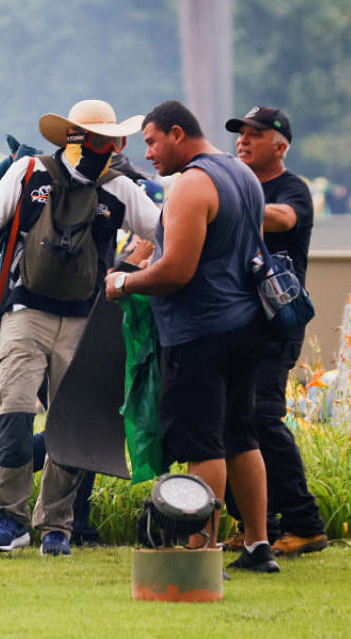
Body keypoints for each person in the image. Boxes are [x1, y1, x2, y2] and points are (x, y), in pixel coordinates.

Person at [0, 99, 159, 556]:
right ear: (73, 137)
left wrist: (130, 270)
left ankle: (57, 524)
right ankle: (8, 520)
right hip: (24, 314)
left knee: (73, 423)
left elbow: (165, 228)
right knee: (13, 414)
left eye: (109, 140)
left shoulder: (121, 188)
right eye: (98, 138)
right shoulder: (29, 171)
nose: (104, 146)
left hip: (85, 320)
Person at [105, 99, 280, 573]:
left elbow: (177, 272)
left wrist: (124, 281)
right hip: (245, 325)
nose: (149, 155)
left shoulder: (191, 186)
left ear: (177, 133)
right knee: (241, 437)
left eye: (152, 142)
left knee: (204, 446)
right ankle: (258, 545)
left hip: (201, 331)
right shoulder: (242, 175)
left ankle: (201, 550)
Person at [224, 106, 328, 557]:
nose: (243, 140)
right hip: (236, 323)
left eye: (255, 134)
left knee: (262, 418)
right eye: (240, 134)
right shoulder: (236, 183)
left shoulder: (292, 189)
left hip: (275, 326)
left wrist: (226, 204)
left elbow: (284, 220)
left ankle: (305, 524)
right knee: (230, 422)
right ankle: (257, 527)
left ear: (280, 145)